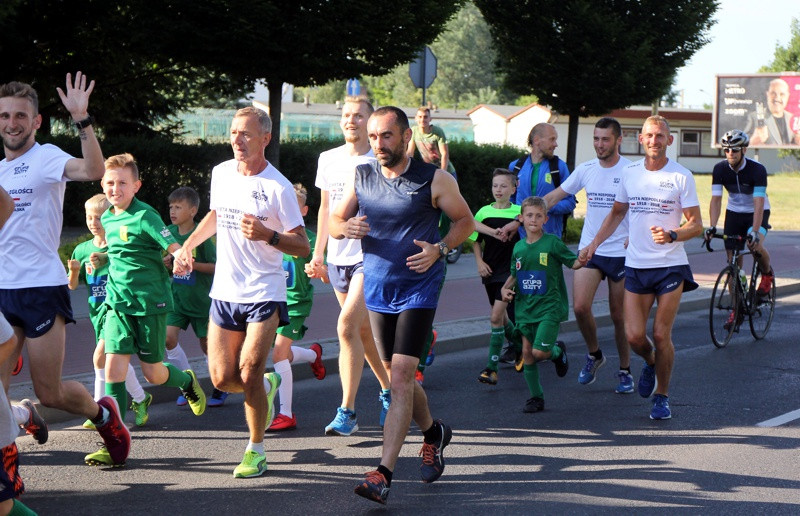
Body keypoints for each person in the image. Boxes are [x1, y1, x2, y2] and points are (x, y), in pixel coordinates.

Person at [331, 106, 474, 505]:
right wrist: (346, 227)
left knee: (400, 377)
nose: (378, 144)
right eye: (373, 137)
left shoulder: (435, 179)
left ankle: (383, 474)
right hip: (379, 288)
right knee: (400, 378)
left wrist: (440, 248)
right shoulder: (362, 175)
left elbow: (465, 221)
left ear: (406, 136)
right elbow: (334, 222)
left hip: (419, 288)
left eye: (386, 136)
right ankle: (434, 433)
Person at [0, 73, 130, 465]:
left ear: (36, 121)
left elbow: (93, 170)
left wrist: (82, 120)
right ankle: (16, 435)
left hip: (41, 287)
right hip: (3, 290)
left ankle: (103, 416)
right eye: (5, 116)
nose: (12, 123)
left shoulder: (47, 157)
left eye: (20, 116)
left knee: (50, 392)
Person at [173, 107, 309, 479]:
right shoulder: (221, 173)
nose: (238, 140)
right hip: (226, 291)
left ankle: (256, 449)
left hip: (264, 291)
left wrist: (269, 236)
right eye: (234, 132)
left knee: (248, 371)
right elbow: (216, 215)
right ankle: (267, 384)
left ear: (265, 138)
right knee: (221, 379)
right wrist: (187, 247)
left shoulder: (278, 187)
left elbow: (302, 245)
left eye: (246, 133)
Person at [84, 153, 207, 466]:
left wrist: (181, 257)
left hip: (150, 303)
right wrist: (105, 258)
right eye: (110, 183)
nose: (115, 188)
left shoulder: (146, 215)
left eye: (122, 183)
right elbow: (121, 250)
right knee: (113, 369)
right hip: (117, 303)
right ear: (103, 184)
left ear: (136, 186)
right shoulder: (108, 217)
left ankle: (186, 381)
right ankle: (113, 441)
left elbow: (171, 244)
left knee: (153, 373)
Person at [583, 115, 703, 421]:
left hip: (670, 266)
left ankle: (662, 396)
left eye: (660, 136)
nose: (654, 140)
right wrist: (593, 245)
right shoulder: (630, 173)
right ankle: (651, 361)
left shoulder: (681, 176)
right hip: (636, 265)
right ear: (640, 139)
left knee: (661, 335)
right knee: (635, 337)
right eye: (649, 135)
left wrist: (673, 234)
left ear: (669, 140)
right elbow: (616, 213)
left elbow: (696, 225)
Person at [307, 96, 391, 436]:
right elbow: (325, 209)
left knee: (345, 327)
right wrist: (318, 253)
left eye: (358, 115)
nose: (351, 120)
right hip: (338, 257)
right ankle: (389, 390)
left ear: (370, 121)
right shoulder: (328, 158)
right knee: (362, 332)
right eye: (346, 115)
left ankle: (348, 411)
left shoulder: (380, 160)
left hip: (370, 256)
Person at [542, 117, 633, 393]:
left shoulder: (631, 171)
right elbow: (555, 196)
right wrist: (525, 214)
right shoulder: (586, 169)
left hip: (621, 252)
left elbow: (641, 208)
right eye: (596, 138)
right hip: (590, 249)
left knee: (618, 316)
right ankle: (595, 355)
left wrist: (635, 236)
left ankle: (625, 370)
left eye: (605, 139)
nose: (599, 144)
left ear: (618, 140)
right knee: (580, 307)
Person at [67, 194, 152, 429]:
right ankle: (141, 398)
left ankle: (98, 410)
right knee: (113, 360)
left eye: (98, 218)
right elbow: (72, 286)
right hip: (97, 313)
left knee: (100, 357)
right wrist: (74, 271)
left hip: (118, 310)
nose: (93, 223)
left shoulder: (119, 247)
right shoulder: (82, 249)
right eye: (89, 217)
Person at [500, 196, 582, 413]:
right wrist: (505, 289)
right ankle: (536, 398)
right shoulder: (518, 248)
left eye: (538, 216)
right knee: (527, 353)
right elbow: (515, 274)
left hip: (549, 307)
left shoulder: (552, 243)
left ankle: (557, 352)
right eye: (529, 215)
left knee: (538, 353)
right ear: (521, 218)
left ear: (545, 219)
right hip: (525, 308)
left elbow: (573, 263)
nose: (533, 220)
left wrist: (583, 258)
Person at [267, 183, 327, 432]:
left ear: (303, 211)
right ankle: (313, 355)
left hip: (295, 304)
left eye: (294, 206)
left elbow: (325, 273)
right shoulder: (271, 235)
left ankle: (286, 413)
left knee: (278, 354)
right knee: (282, 354)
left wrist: (318, 270)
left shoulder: (310, 240)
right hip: (271, 301)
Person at [705, 129, 774, 328]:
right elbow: (716, 199)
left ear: (744, 150)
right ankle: (737, 310)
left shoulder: (757, 170)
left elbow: (758, 202)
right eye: (726, 150)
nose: (730, 153)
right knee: (733, 265)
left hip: (757, 212)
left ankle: (767, 275)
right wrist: (712, 226)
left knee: (755, 246)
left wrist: (754, 231)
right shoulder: (720, 169)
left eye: (734, 150)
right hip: (734, 213)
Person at [162, 187, 222, 407]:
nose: (173, 211)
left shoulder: (202, 236)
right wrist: (166, 262)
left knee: (208, 346)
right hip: (177, 299)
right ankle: (188, 385)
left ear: (193, 211)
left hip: (202, 301)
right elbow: (165, 260)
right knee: (168, 339)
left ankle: (220, 385)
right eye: (171, 206)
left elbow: (216, 267)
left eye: (178, 207)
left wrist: (192, 264)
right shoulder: (168, 233)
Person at [471, 168, 521, 385]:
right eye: (495, 186)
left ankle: (491, 369)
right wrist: (479, 262)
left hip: (511, 272)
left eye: (503, 186)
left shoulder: (520, 213)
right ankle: (521, 347)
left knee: (495, 317)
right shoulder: (483, 212)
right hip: (490, 270)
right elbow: (475, 240)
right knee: (503, 318)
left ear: (513, 189)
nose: (498, 190)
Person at [501, 122, 577, 240]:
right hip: (522, 239)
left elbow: (570, 202)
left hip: (550, 239)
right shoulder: (515, 167)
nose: (555, 144)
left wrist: (545, 207)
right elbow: (509, 201)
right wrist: (517, 220)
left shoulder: (559, 167)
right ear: (537, 140)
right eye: (552, 139)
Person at [746, 78, 800, 146]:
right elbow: (742, 144)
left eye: (782, 94)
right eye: (773, 93)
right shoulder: (754, 117)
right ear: (767, 94)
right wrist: (753, 141)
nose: (777, 98)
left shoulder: (793, 119)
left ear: (788, 96)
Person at [406, 106, 456, 175]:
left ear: (430, 119)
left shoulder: (437, 131)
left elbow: (444, 154)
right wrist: (406, 169)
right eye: (420, 117)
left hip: (446, 171)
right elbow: (410, 152)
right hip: (429, 171)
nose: (422, 119)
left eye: (425, 117)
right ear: (416, 118)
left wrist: (443, 173)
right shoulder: (414, 131)